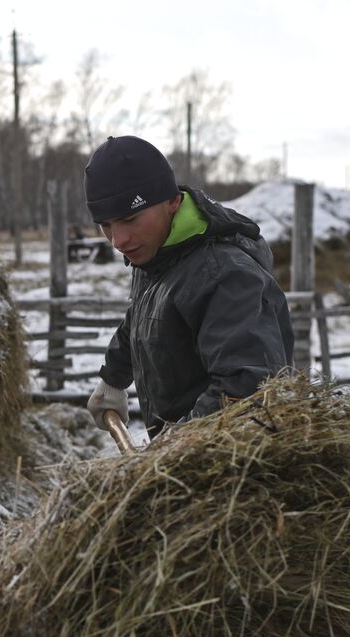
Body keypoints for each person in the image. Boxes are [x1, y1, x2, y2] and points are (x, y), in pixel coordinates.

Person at [83, 135, 294, 440]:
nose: (118, 241)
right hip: (188, 461)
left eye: (130, 219)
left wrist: (175, 449)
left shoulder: (224, 275)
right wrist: (113, 378)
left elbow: (249, 389)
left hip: (234, 468)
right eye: (106, 226)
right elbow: (143, 316)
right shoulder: (157, 254)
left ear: (173, 202)